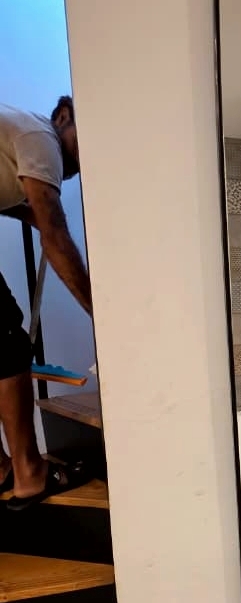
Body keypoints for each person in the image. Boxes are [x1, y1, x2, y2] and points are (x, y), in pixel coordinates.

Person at [0, 97, 92, 511]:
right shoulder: (42, 138)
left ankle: (3, 468)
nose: (83, 158)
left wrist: (27, 213)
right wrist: (99, 313)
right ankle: (30, 474)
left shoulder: (19, 131)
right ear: (63, 116)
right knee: (7, 343)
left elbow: (37, 217)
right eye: (82, 141)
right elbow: (55, 235)